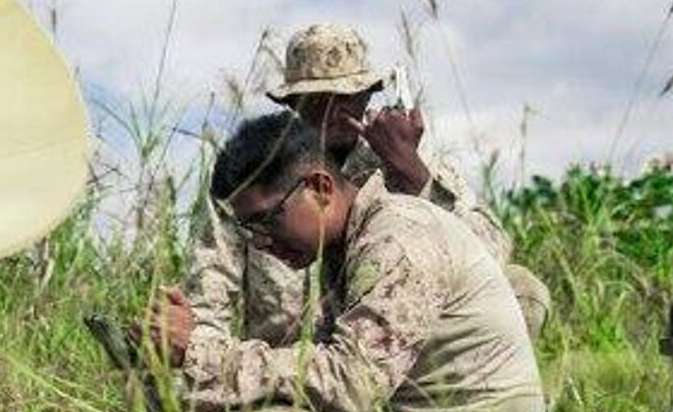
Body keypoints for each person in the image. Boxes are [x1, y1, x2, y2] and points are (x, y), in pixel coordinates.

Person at [152, 111, 548, 412]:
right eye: (249, 230)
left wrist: (204, 353)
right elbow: (323, 377)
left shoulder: (396, 237)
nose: (260, 242)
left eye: (267, 220)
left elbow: (353, 384)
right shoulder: (347, 245)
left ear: (320, 188)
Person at [162, 23, 551, 351]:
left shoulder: (405, 160)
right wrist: (206, 359)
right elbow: (208, 298)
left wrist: (414, 176)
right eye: (316, 101)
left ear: (367, 97)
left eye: (346, 97)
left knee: (521, 289)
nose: (333, 112)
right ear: (293, 105)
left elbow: (489, 259)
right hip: (284, 370)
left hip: (391, 358)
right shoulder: (252, 180)